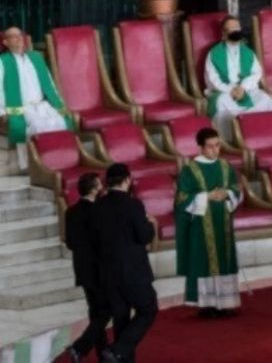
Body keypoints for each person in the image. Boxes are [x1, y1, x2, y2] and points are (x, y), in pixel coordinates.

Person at [174, 127, 242, 316]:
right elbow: (181, 198)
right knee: (204, 261)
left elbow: (236, 188)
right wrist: (206, 196)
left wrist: (227, 194)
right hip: (201, 226)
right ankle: (207, 305)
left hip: (223, 223)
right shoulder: (190, 170)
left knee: (224, 258)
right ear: (201, 147)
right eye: (210, 147)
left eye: (217, 145)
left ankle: (225, 302)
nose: (215, 150)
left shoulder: (225, 166)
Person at [94, 163, 158, 363]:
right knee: (148, 309)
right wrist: (150, 224)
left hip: (107, 272)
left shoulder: (98, 206)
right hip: (133, 271)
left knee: (121, 318)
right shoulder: (133, 205)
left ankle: (121, 358)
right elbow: (144, 236)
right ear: (128, 180)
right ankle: (117, 350)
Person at [0, 26, 73, 170]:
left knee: (60, 121)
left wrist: (59, 103)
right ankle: (34, 166)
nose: (19, 38)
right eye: (13, 36)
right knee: (36, 127)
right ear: (5, 42)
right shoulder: (3, 61)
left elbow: (50, 83)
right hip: (21, 107)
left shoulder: (36, 57)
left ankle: (60, 161)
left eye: (20, 35)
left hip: (41, 105)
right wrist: (2, 112)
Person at [204, 16, 272, 139]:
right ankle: (229, 140)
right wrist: (231, 90)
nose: (235, 31)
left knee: (265, 99)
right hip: (225, 92)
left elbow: (257, 73)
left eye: (237, 28)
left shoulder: (248, 52)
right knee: (221, 102)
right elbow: (212, 79)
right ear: (224, 34)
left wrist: (242, 87)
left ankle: (263, 136)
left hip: (247, 89)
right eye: (231, 29)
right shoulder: (214, 53)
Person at [63, 173, 109, 363]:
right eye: (99, 185)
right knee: (106, 311)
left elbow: (70, 243)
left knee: (95, 311)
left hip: (82, 269)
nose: (102, 188)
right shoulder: (98, 211)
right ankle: (79, 347)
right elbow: (103, 241)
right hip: (99, 268)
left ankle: (102, 353)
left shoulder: (70, 211)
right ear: (93, 189)